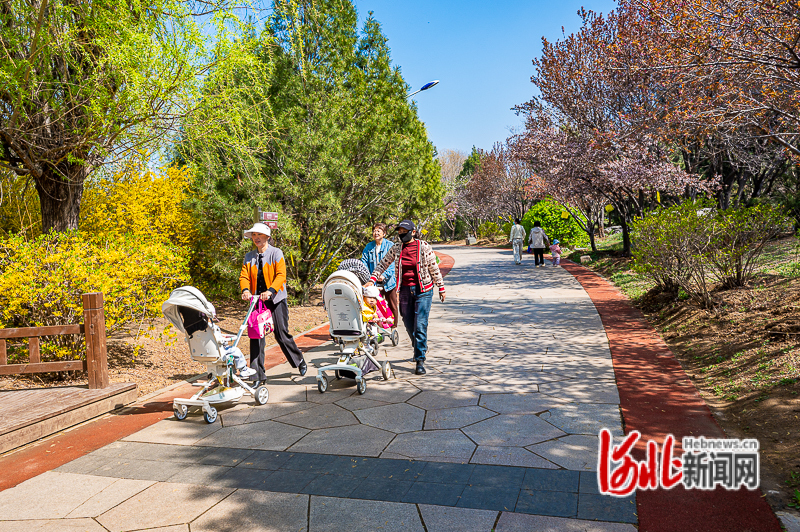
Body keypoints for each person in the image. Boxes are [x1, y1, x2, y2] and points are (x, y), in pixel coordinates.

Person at [366, 220, 445, 375]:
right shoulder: (396, 248)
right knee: (408, 323)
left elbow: (434, 267)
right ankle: (419, 345)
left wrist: (441, 287)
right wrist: (372, 279)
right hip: (404, 290)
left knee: (420, 325)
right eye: (400, 231)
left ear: (413, 232)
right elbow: (383, 264)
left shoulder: (423, 246)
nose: (402, 233)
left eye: (405, 231)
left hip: (424, 290)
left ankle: (420, 359)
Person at [239, 223, 307, 385]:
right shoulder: (249, 257)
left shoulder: (276, 253)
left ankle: (298, 360)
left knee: (281, 334)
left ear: (267, 237)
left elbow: (281, 275)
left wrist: (270, 291)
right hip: (257, 301)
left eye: (259, 235)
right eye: (254, 235)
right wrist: (246, 290)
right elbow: (244, 277)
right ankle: (257, 375)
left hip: (276, 300)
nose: (256, 238)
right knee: (256, 337)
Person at [361, 223, 398, 329]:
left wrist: (384, 275)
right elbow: (364, 263)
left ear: (384, 233)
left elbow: (392, 264)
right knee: (374, 304)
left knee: (392, 304)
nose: (375, 233)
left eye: (378, 231)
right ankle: (376, 326)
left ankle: (393, 327)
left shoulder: (390, 245)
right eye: (374, 231)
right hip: (374, 282)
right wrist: (368, 277)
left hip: (389, 281)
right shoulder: (369, 247)